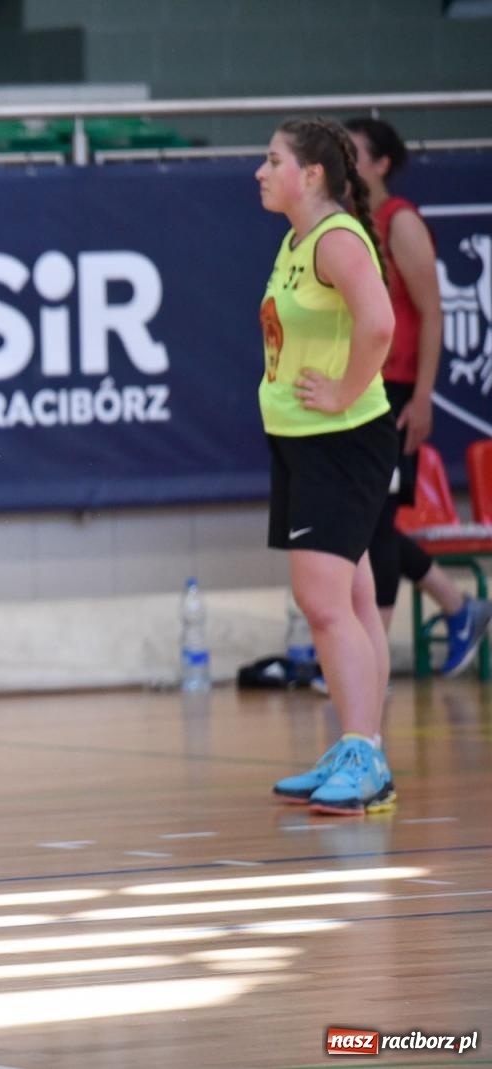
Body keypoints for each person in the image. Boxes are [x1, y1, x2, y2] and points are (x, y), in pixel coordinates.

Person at [255, 119, 399, 816]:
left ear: (310, 173)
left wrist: (343, 392)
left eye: (273, 159)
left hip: (339, 441)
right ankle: (361, 745)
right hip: (306, 441)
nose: (260, 170)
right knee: (353, 600)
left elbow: (380, 325)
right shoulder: (300, 240)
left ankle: (364, 756)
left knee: (322, 602)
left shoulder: (337, 240)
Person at [345, 116, 490, 676]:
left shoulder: (398, 222)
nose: (345, 163)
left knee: (376, 522)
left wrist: (424, 395)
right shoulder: (348, 224)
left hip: (396, 391)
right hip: (361, 391)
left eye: (354, 153)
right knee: (364, 522)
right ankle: (460, 606)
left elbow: (431, 313)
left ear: (381, 164)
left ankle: (371, 665)